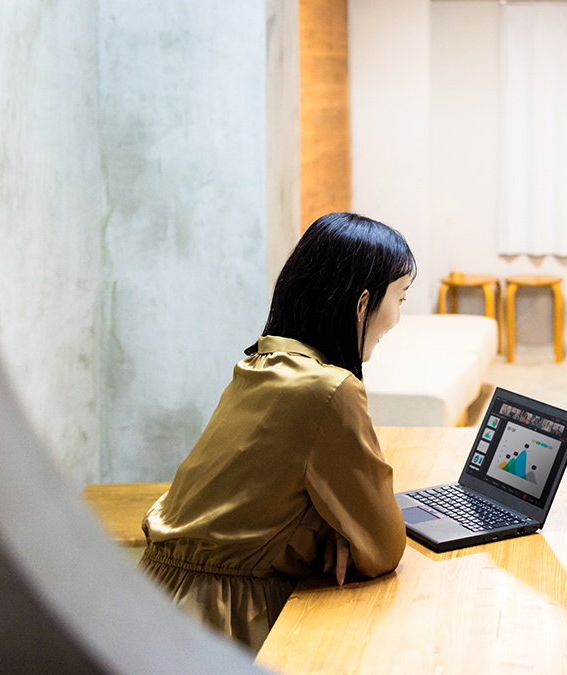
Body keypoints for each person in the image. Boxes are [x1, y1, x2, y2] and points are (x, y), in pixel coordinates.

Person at [138, 212, 412, 651]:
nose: (398, 318)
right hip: (222, 620)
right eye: (401, 297)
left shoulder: (261, 364)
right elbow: (383, 546)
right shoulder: (329, 390)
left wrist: (334, 529)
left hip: (156, 600)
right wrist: (343, 531)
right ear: (362, 304)